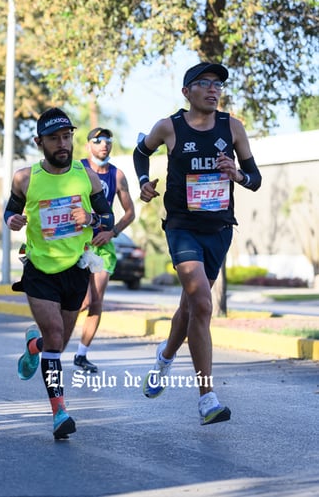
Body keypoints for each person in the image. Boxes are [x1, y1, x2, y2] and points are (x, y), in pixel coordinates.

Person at [134, 62, 261, 425]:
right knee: (203, 304)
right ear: (187, 92)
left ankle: (164, 357)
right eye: (204, 83)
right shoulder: (169, 127)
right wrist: (144, 180)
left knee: (190, 308)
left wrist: (237, 173)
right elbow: (141, 151)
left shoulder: (232, 127)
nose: (213, 89)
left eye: (218, 84)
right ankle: (207, 398)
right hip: (182, 227)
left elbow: (256, 178)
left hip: (219, 228)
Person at [5, 108, 115, 440]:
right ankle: (59, 413)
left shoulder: (87, 177)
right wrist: (13, 219)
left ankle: (33, 346)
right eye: (54, 138)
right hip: (39, 269)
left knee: (57, 343)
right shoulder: (26, 178)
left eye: (67, 136)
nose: (62, 143)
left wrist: (92, 221)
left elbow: (108, 219)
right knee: (56, 336)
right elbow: (11, 209)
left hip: (76, 269)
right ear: (40, 142)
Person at [69, 127, 136, 372]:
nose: (104, 145)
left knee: (95, 301)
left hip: (102, 245)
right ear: (88, 145)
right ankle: (50, 343)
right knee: (80, 300)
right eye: (98, 141)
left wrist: (112, 232)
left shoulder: (117, 175)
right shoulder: (77, 169)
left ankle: (81, 354)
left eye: (108, 140)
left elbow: (130, 213)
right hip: (76, 242)